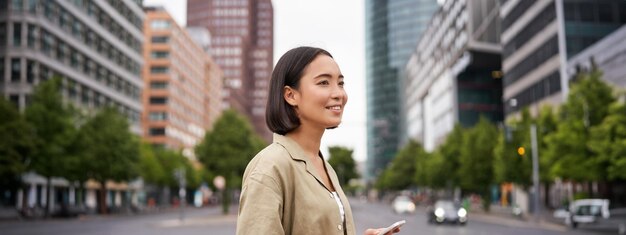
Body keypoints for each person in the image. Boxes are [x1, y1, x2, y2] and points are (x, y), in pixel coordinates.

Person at [236, 46, 400, 235]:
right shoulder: (269, 168)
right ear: (290, 95)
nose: (339, 93)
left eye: (340, 83)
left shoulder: (325, 167)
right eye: (323, 82)